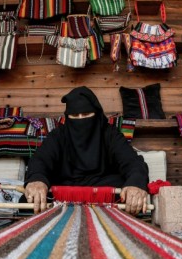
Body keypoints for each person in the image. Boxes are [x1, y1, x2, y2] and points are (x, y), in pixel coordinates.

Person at [24, 86, 149, 215]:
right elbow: (41, 159)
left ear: (97, 114)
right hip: (65, 188)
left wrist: (135, 183)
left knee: (128, 190)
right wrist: (37, 180)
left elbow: (132, 161)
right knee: (31, 196)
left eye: (86, 114)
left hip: (102, 187)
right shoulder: (59, 135)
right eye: (74, 115)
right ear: (67, 117)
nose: (80, 119)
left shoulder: (109, 134)